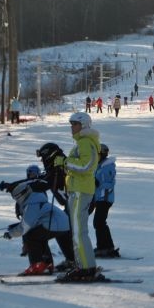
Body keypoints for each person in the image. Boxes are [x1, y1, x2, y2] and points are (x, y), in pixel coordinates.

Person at [53, 112, 102, 282]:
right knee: (78, 230)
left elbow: (86, 166)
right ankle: (84, 264)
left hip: (81, 190)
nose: (71, 127)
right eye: (71, 123)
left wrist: (65, 162)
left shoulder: (85, 142)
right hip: (78, 189)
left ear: (84, 125)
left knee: (78, 231)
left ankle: (85, 267)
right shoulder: (83, 142)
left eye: (75, 124)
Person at [3, 182, 75, 275]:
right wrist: (17, 226)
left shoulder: (32, 204)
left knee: (30, 236)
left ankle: (38, 265)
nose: (17, 200)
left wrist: (11, 233)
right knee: (40, 235)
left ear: (21, 196)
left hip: (55, 224)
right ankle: (50, 263)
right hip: (64, 224)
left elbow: (25, 227)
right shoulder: (36, 199)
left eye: (16, 198)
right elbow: (34, 221)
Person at [93, 144, 119, 258]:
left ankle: (103, 247)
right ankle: (106, 247)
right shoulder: (100, 166)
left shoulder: (107, 166)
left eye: (97, 155)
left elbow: (110, 183)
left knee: (98, 222)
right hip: (100, 198)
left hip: (105, 198)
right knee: (100, 222)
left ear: (102, 155)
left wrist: (98, 183)